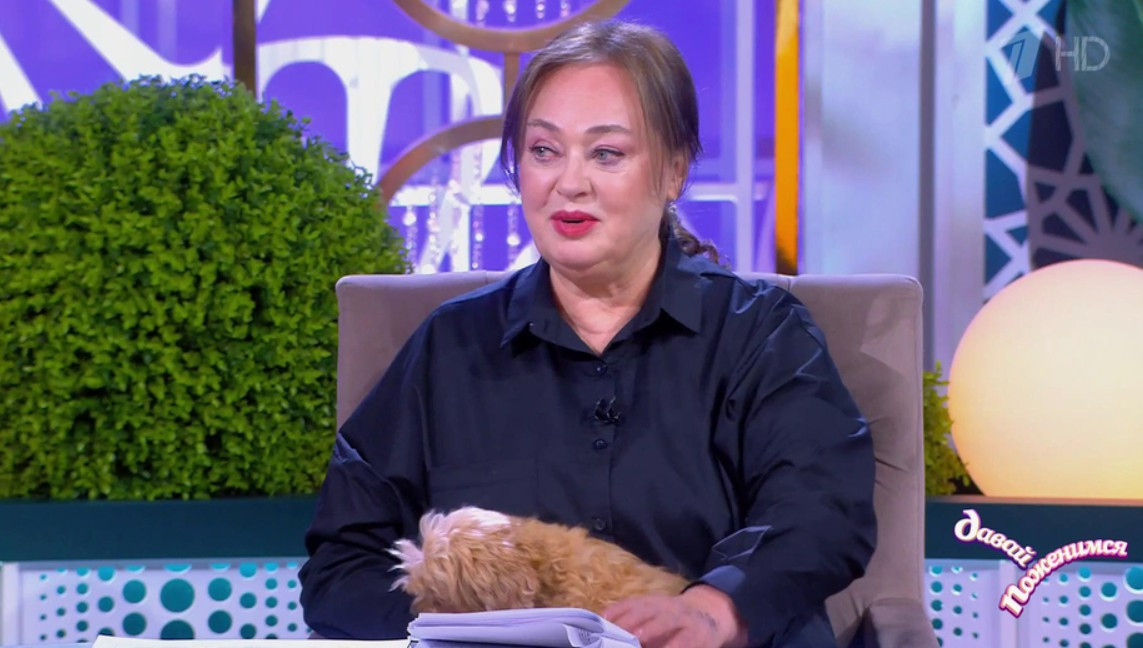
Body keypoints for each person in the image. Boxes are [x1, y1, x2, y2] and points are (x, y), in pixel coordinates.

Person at [299, 19, 876, 648]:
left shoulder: (761, 335)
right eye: (544, 151)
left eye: (606, 153)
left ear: (674, 171)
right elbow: (342, 571)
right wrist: (472, 628)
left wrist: (713, 610)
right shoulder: (448, 350)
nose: (569, 183)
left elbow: (821, 513)